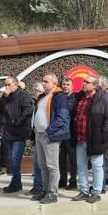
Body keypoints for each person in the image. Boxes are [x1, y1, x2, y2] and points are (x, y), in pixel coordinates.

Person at [71, 74, 108, 203]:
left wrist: (103, 136)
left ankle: (96, 192)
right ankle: (84, 191)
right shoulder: (79, 97)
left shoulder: (103, 99)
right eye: (84, 81)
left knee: (97, 166)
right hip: (80, 138)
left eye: (87, 82)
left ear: (95, 85)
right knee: (81, 166)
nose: (84, 84)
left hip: (95, 139)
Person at [31, 73, 70, 204]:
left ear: (54, 83)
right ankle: (46, 190)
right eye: (43, 81)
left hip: (49, 135)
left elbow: (62, 117)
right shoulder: (42, 97)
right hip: (39, 134)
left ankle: (53, 193)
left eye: (46, 81)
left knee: (52, 165)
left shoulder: (59, 96)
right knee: (42, 165)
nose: (43, 83)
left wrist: (49, 131)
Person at [0, 74, 33, 193]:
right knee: (11, 158)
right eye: (5, 85)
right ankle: (16, 182)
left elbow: (28, 110)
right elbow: (0, 109)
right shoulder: (7, 96)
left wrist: (16, 122)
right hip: (8, 133)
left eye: (8, 84)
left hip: (18, 133)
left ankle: (16, 183)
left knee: (15, 158)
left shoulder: (23, 96)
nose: (6, 87)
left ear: (15, 84)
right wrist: (4, 98)